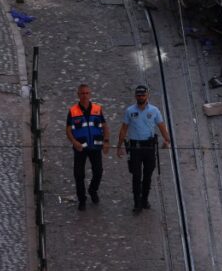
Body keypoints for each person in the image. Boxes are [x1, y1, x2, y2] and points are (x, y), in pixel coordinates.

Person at [116, 85, 172, 213]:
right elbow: (124, 129)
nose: (141, 97)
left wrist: (167, 139)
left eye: (143, 95)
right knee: (136, 175)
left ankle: (145, 199)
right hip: (135, 148)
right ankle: (137, 203)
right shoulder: (130, 111)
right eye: (139, 95)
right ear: (135, 96)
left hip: (149, 147)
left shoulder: (154, 110)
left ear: (147, 96)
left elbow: (161, 126)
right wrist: (119, 146)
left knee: (148, 175)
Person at [65, 84, 108, 211]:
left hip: (95, 147)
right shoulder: (72, 111)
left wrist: (106, 141)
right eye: (82, 93)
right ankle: (82, 200)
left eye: (87, 93)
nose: (85, 95)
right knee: (79, 175)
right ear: (78, 95)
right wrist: (74, 142)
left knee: (98, 172)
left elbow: (105, 126)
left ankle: (93, 190)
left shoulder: (97, 109)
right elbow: (68, 130)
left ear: (90, 94)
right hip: (80, 148)